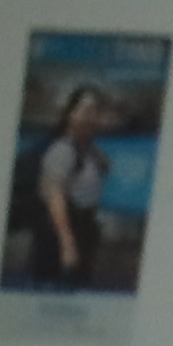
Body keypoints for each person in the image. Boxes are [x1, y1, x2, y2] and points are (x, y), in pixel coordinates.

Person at [21, 83, 119, 287]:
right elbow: (55, 197)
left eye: (95, 112)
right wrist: (67, 243)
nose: (90, 117)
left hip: (85, 227)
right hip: (60, 231)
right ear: (70, 114)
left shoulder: (92, 152)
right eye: (85, 111)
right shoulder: (62, 151)